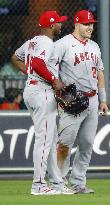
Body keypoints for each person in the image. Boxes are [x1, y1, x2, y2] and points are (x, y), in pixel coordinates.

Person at [11, 11, 73, 195]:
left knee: (50, 139)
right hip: (42, 92)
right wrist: (54, 79)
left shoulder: (32, 41)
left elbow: (15, 57)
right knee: (44, 141)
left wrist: (30, 74)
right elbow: (38, 63)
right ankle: (38, 185)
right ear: (51, 25)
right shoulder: (46, 42)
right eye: (59, 23)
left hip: (32, 90)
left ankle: (57, 183)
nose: (61, 25)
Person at [51, 10, 108, 194]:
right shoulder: (62, 44)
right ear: (76, 24)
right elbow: (49, 68)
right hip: (71, 100)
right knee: (64, 144)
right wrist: (58, 90)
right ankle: (58, 183)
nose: (90, 27)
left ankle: (78, 183)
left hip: (92, 100)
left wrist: (103, 99)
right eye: (86, 24)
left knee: (86, 144)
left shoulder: (95, 46)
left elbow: (100, 73)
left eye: (92, 24)